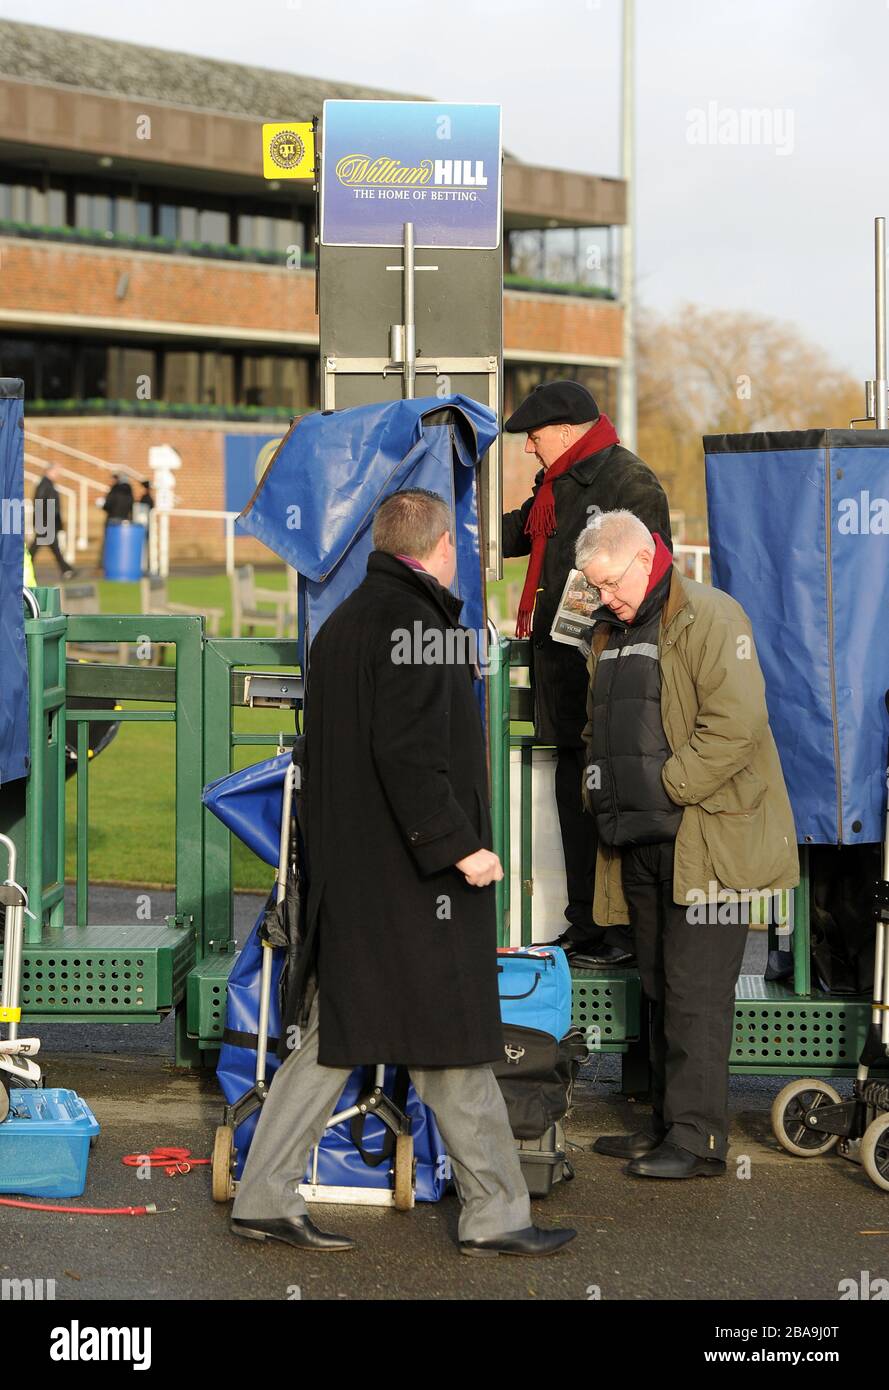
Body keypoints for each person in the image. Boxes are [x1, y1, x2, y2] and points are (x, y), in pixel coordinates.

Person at [231, 488, 576, 1258]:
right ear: (441, 547)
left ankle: (266, 1196)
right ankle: (495, 1215)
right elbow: (411, 756)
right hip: (417, 889)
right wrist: (460, 847)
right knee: (445, 1043)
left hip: (355, 883)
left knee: (340, 1042)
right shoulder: (427, 629)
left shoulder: (345, 625)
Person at [576, 510, 798, 1178]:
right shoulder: (610, 629)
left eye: (609, 583)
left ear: (644, 559)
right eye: (594, 588)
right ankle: (665, 1127)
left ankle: (699, 1142)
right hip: (641, 841)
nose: (602, 597)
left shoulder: (711, 615)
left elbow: (736, 726)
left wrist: (669, 785)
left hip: (707, 840)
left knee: (695, 992)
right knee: (657, 984)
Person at [502, 379, 671, 967]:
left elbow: (650, 582)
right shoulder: (560, 483)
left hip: (613, 680)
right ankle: (587, 926)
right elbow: (514, 534)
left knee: (612, 803)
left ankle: (624, 934)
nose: (528, 447)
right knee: (576, 804)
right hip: (565, 680)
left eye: (535, 436)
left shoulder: (630, 482)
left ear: (569, 432)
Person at [29, 465, 75, 579]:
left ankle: (66, 569)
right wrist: (44, 522)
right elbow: (40, 503)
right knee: (40, 547)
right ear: (49, 471)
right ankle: (66, 569)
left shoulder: (47, 484)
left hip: (47, 522)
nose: (58, 475)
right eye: (56, 472)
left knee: (53, 548)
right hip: (46, 522)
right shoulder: (44, 485)